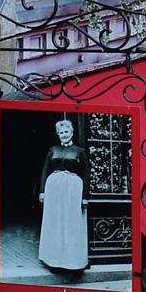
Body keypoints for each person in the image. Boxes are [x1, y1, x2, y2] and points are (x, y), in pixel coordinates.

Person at [36, 115, 90, 274]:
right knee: (54, 223)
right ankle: (53, 260)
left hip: (73, 192)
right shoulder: (53, 150)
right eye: (61, 132)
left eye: (67, 131)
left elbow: (86, 174)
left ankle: (71, 261)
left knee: (71, 224)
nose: (64, 134)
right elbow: (45, 170)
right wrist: (42, 191)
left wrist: (85, 197)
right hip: (53, 191)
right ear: (58, 134)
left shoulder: (80, 152)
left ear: (72, 132)